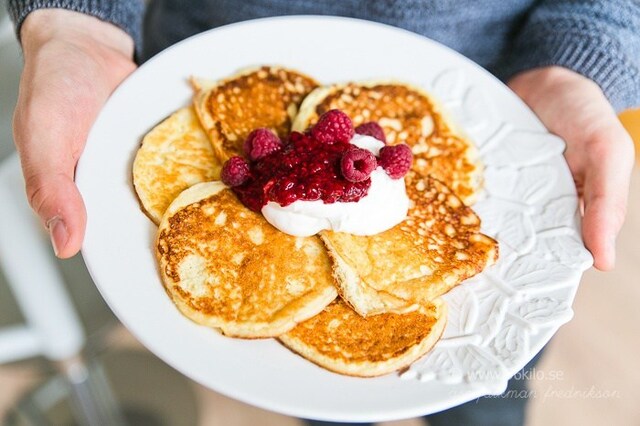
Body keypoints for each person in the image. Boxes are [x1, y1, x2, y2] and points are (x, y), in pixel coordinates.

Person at [5, 1, 638, 425]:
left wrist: (585, 55)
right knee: (327, 402)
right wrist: (75, 20)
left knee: (491, 398)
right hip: (189, 54)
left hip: (505, 96)